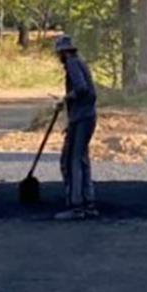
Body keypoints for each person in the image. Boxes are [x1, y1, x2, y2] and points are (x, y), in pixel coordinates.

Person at [53, 35, 98, 220]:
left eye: (59, 53)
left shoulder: (72, 64)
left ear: (64, 52)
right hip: (85, 117)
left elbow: (81, 89)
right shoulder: (80, 62)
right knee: (82, 159)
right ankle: (89, 203)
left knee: (72, 160)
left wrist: (66, 99)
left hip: (82, 117)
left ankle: (76, 206)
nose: (59, 57)